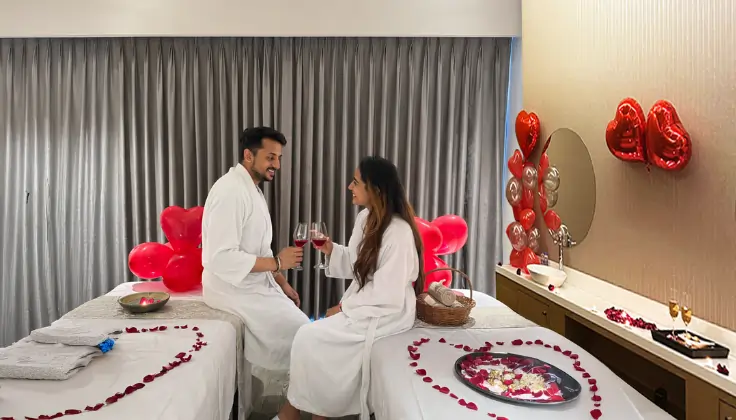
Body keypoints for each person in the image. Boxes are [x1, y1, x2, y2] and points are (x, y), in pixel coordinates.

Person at [276, 156, 424, 420]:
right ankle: (308, 412)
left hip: (387, 312)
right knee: (309, 337)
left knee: (309, 337)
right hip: (367, 302)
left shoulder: (399, 233)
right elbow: (358, 264)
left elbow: (387, 293)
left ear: (375, 189)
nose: (349, 187)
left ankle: (301, 413)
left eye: (356, 182)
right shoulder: (365, 218)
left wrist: (344, 307)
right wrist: (331, 249)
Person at [201, 127, 310, 391]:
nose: (277, 165)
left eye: (279, 158)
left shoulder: (251, 189)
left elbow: (259, 249)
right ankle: (294, 406)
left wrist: (282, 283)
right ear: (248, 155)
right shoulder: (230, 191)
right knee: (305, 334)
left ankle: (296, 400)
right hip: (231, 288)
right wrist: (278, 263)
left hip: (254, 283)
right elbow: (221, 258)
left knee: (305, 331)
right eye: (270, 157)